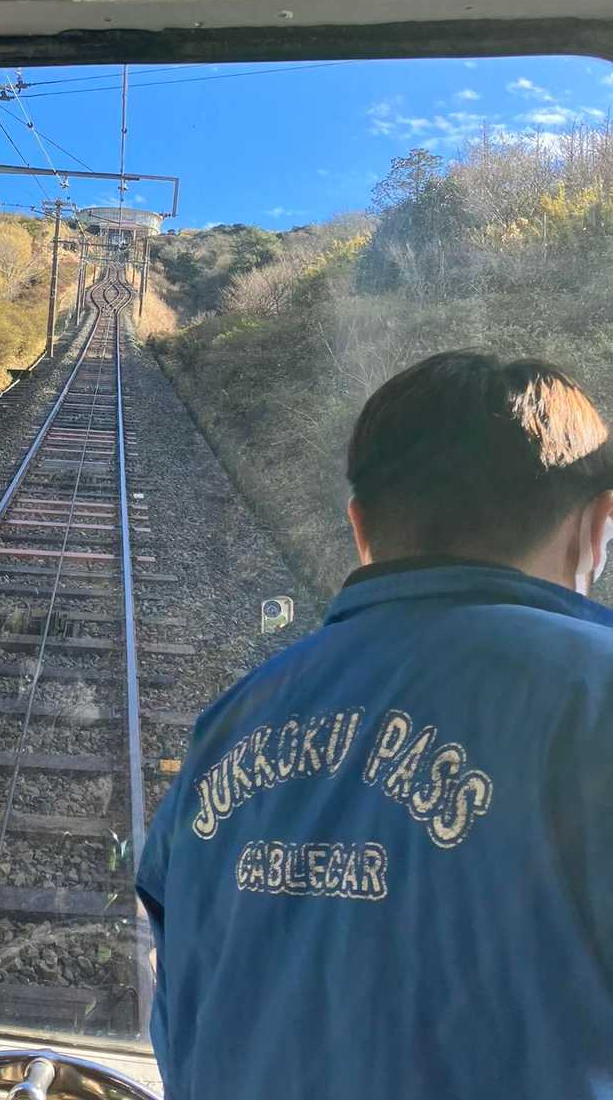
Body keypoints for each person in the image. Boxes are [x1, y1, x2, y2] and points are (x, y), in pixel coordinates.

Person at [136, 350, 613, 1099]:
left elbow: (181, 1017)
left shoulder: (232, 719)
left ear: (360, 527)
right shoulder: (595, 697)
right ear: (599, 526)